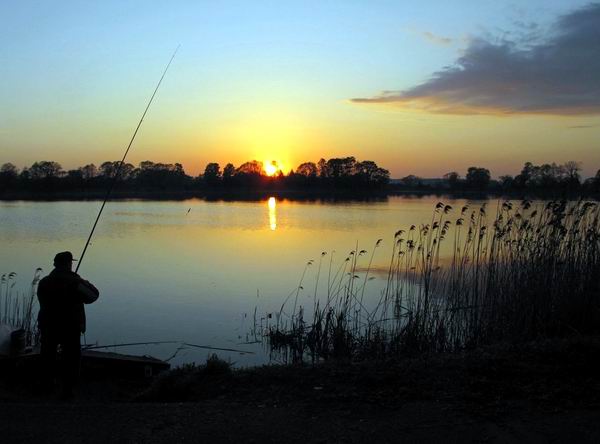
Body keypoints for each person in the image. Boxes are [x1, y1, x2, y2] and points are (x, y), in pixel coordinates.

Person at [37, 251, 99, 398]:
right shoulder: (75, 282)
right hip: (70, 327)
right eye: (71, 263)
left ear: (55, 265)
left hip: (48, 325)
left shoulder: (44, 282)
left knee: (47, 355)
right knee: (71, 358)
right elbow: (94, 295)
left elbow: (42, 300)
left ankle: (46, 386)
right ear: (68, 264)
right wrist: (81, 281)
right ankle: (68, 390)